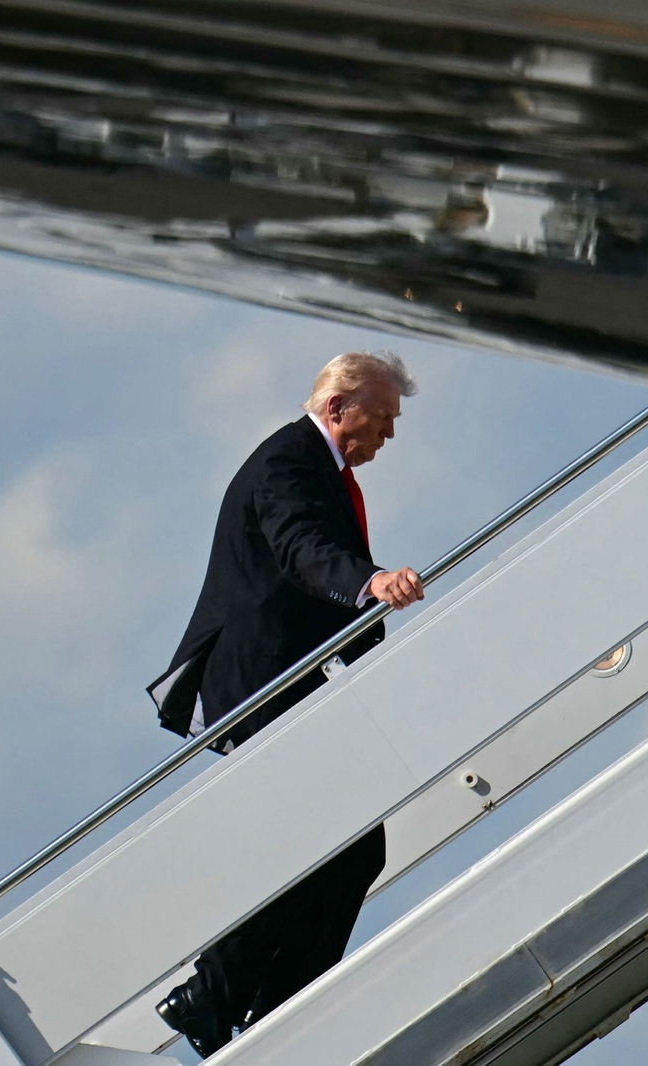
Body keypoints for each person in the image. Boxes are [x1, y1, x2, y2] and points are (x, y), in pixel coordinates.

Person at [146, 350, 424, 1058]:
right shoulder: (289, 462)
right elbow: (304, 549)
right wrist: (370, 583)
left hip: (293, 679)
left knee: (351, 851)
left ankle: (267, 1005)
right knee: (324, 843)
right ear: (339, 408)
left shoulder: (318, 466)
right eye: (383, 420)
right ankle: (216, 993)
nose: (388, 436)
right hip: (264, 682)